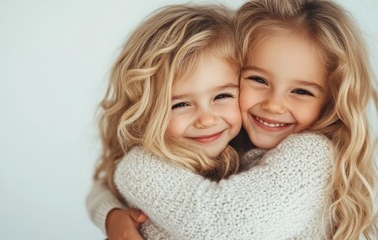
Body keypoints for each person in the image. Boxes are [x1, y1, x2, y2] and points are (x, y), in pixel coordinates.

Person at [111, 0, 378, 239]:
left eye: (301, 91)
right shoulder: (230, 146)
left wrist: (133, 168)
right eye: (259, 80)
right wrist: (110, 214)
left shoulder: (312, 155)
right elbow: (107, 192)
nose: (273, 105)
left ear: (329, 101)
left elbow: (222, 227)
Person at [88, 4, 243, 239]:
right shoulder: (151, 162)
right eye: (180, 104)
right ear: (146, 110)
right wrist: (111, 213)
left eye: (222, 96)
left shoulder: (255, 146)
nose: (206, 119)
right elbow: (103, 187)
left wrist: (109, 214)